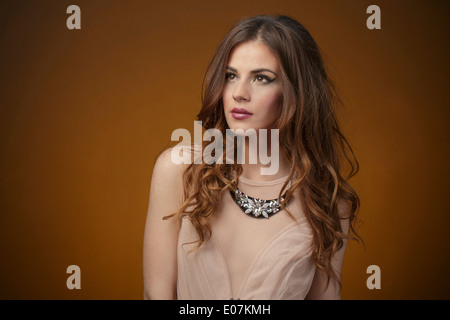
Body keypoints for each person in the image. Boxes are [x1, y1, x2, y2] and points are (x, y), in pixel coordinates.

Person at [143, 14, 361, 300]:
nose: (239, 93)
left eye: (261, 78)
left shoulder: (327, 202)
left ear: (297, 92)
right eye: (230, 76)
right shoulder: (179, 170)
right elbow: (155, 293)